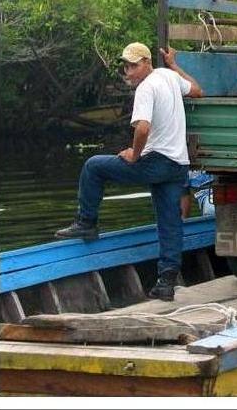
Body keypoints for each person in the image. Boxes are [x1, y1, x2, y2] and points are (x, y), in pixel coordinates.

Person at [55, 42, 203, 301]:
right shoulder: (169, 76)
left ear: (147, 63)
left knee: (94, 166)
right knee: (170, 223)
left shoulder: (147, 87)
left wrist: (135, 155)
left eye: (133, 65)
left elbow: (143, 129)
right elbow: (198, 90)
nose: (128, 71)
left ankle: (86, 223)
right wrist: (174, 65)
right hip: (178, 163)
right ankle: (166, 283)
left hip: (157, 161)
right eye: (125, 66)